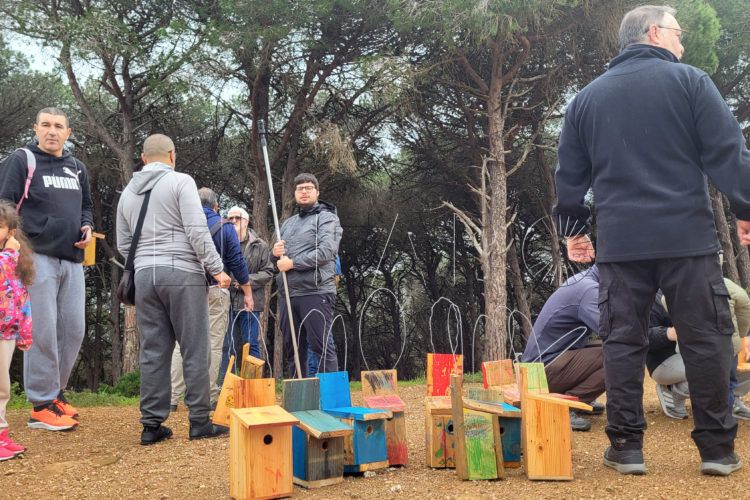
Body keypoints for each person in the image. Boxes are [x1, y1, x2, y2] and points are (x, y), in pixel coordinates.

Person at [554, 5, 750, 476]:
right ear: (655, 34)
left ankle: (625, 448)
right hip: (688, 238)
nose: (683, 44)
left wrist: (574, 231)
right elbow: (728, 151)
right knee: (706, 339)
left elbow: (569, 175)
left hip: (621, 244)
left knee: (622, 341)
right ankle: (717, 450)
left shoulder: (585, 100)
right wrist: (746, 209)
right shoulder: (692, 83)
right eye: (679, 34)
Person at [116, 134, 231, 445]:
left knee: (153, 350)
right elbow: (196, 230)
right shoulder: (181, 182)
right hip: (182, 273)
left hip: (144, 277)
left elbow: (124, 244)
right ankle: (199, 422)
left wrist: (143, 265)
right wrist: (217, 269)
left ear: (142, 157)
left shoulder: (127, 192)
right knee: (194, 346)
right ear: (172, 154)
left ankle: (151, 426)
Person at [0, 107, 93, 431]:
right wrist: (13, 244)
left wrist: (87, 227)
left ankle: (55, 393)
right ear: (36, 129)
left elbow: (86, 207)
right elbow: (5, 204)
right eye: (46, 125)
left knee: (73, 329)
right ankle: (41, 404)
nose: (52, 131)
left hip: (72, 258)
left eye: (58, 126)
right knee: (43, 331)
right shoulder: (23, 159)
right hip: (35, 257)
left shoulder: (77, 168)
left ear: (68, 133)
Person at [170, 190, 253, 411]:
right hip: (217, 288)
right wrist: (247, 292)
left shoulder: (180, 222)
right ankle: (207, 394)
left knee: (182, 343)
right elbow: (237, 261)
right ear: (216, 206)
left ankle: (171, 397)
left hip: (186, 290)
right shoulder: (225, 227)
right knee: (215, 345)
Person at [272, 173, 342, 378]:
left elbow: (327, 251)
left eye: (308, 188)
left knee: (321, 346)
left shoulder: (328, 218)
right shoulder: (288, 223)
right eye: (300, 188)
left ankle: (330, 400)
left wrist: (293, 263)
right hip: (288, 292)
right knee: (292, 349)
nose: (304, 191)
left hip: (316, 290)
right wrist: (274, 253)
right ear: (294, 193)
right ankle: (299, 399)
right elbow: (277, 260)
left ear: (317, 192)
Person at [649, 278, 750, 420]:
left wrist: (746, 338)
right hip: (666, 358)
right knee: (711, 368)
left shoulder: (716, 285)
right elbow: (639, 337)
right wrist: (668, 333)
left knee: (732, 361)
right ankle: (672, 390)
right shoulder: (654, 296)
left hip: (709, 349)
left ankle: (731, 398)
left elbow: (739, 312)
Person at [521, 266, 605, 431]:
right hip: (539, 373)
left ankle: (578, 399)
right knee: (618, 353)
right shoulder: (589, 291)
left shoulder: (583, 281)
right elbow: (613, 331)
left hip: (541, 365)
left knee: (609, 347)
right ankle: (566, 406)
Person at [218, 206, 273, 381]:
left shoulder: (260, 245)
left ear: (247, 221)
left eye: (237, 218)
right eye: (230, 218)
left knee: (251, 344)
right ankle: (227, 385)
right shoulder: (222, 243)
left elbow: (268, 272)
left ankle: (254, 383)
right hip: (226, 302)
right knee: (227, 345)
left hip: (250, 302)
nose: (233, 221)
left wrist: (245, 281)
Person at [0, 201, 34, 458]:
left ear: (10, 231)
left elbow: (21, 296)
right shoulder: (8, 257)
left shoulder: (15, 259)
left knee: (3, 388)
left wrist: (25, 331)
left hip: (8, 332)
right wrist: (10, 254)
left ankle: (1, 435)